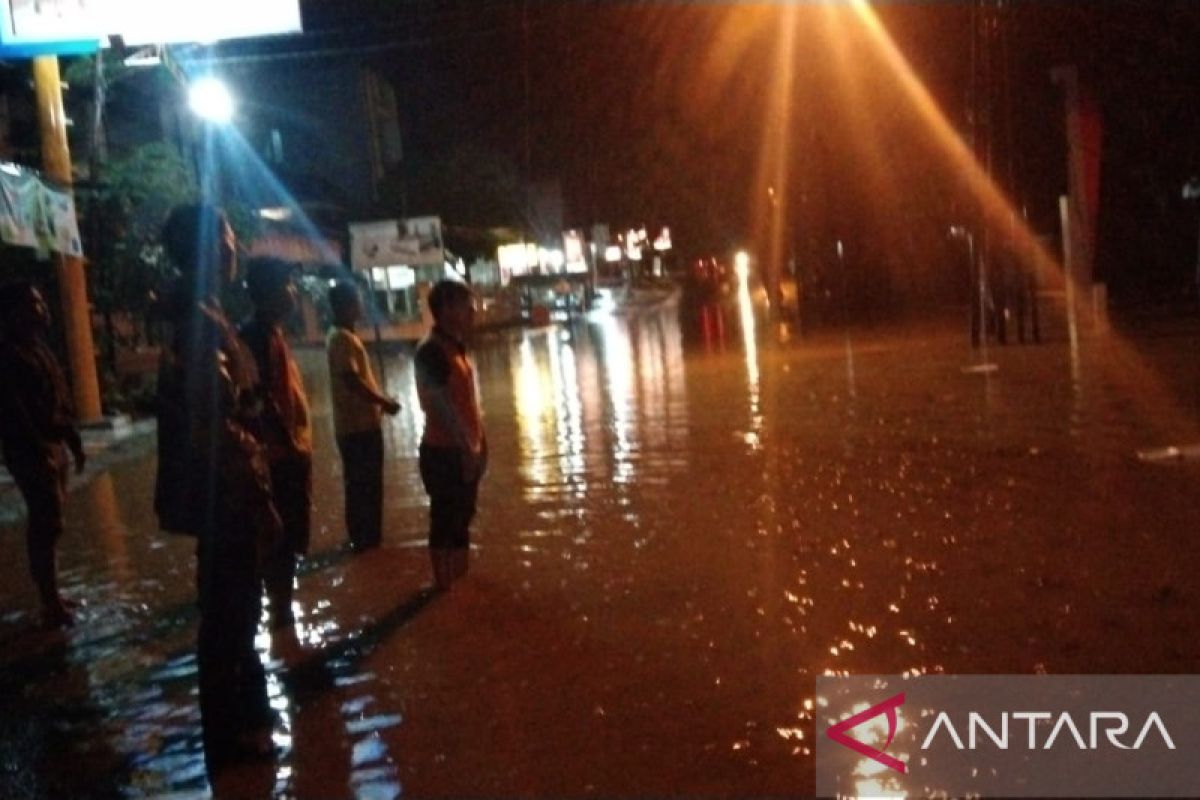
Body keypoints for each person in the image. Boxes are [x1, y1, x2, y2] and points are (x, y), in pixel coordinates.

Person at [154, 204, 281, 770]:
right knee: (230, 619)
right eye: (226, 241)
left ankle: (246, 725)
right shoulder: (199, 324)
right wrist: (262, 499)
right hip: (227, 499)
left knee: (234, 615)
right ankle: (230, 746)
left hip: (223, 499)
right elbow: (218, 430)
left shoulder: (202, 315)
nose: (234, 251)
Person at [0, 282, 87, 628]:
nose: (42, 308)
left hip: (52, 446)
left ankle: (51, 594)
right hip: (31, 449)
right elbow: (16, 413)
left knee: (50, 521)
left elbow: (60, 400)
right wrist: (41, 452)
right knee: (47, 522)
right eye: (34, 303)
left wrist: (73, 442)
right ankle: (49, 601)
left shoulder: (39, 350)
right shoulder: (9, 356)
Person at [239, 257, 313, 631]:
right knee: (280, 544)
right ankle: (281, 620)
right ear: (268, 292)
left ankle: (282, 620)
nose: (294, 292)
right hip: (279, 459)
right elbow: (260, 399)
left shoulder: (272, 333)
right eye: (287, 284)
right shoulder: (255, 336)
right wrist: (290, 445)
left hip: (288, 455)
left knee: (289, 543)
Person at [414, 280, 487, 590]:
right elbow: (440, 405)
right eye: (465, 306)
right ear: (445, 310)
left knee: (462, 520)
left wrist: (479, 442)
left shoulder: (454, 347)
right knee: (445, 520)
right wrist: (467, 448)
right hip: (444, 453)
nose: (473, 311)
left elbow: (465, 402)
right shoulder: (431, 351)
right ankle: (443, 588)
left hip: (462, 450)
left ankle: (459, 586)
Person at [326, 281, 400, 551]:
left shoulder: (342, 336)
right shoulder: (342, 339)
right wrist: (383, 401)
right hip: (357, 428)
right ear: (345, 305)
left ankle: (365, 540)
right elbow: (352, 381)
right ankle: (366, 540)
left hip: (359, 425)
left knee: (362, 485)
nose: (361, 305)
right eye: (357, 300)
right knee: (364, 486)